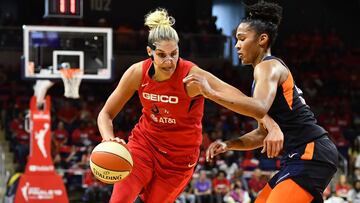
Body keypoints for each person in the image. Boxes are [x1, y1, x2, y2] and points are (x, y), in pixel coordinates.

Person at [97, 7, 283, 203]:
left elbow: (235, 96)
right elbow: (106, 114)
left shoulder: (191, 75)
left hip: (179, 161)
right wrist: (108, 139)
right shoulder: (137, 73)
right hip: (144, 147)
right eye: (162, 55)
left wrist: (270, 124)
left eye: (174, 54)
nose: (169, 61)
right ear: (149, 52)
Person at [183, 1, 339, 203]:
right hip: (297, 156)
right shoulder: (261, 77)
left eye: (242, 39)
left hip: (310, 151)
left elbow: (259, 108)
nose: (237, 45)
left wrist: (209, 92)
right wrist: (229, 144)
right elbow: (262, 133)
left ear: (262, 40)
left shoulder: (268, 67)